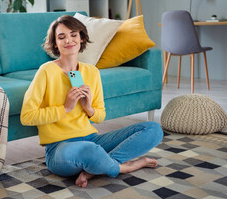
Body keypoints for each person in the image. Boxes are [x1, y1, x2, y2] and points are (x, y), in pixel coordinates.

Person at [21, 15, 164, 188]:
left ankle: (93, 170)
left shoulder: (91, 72)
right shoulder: (46, 71)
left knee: (153, 129)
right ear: (55, 44)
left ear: (81, 38)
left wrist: (88, 108)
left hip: (91, 139)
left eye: (73, 35)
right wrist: (65, 108)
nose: (69, 40)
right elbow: (27, 117)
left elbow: (100, 116)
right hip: (59, 148)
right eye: (61, 37)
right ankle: (122, 167)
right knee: (90, 151)